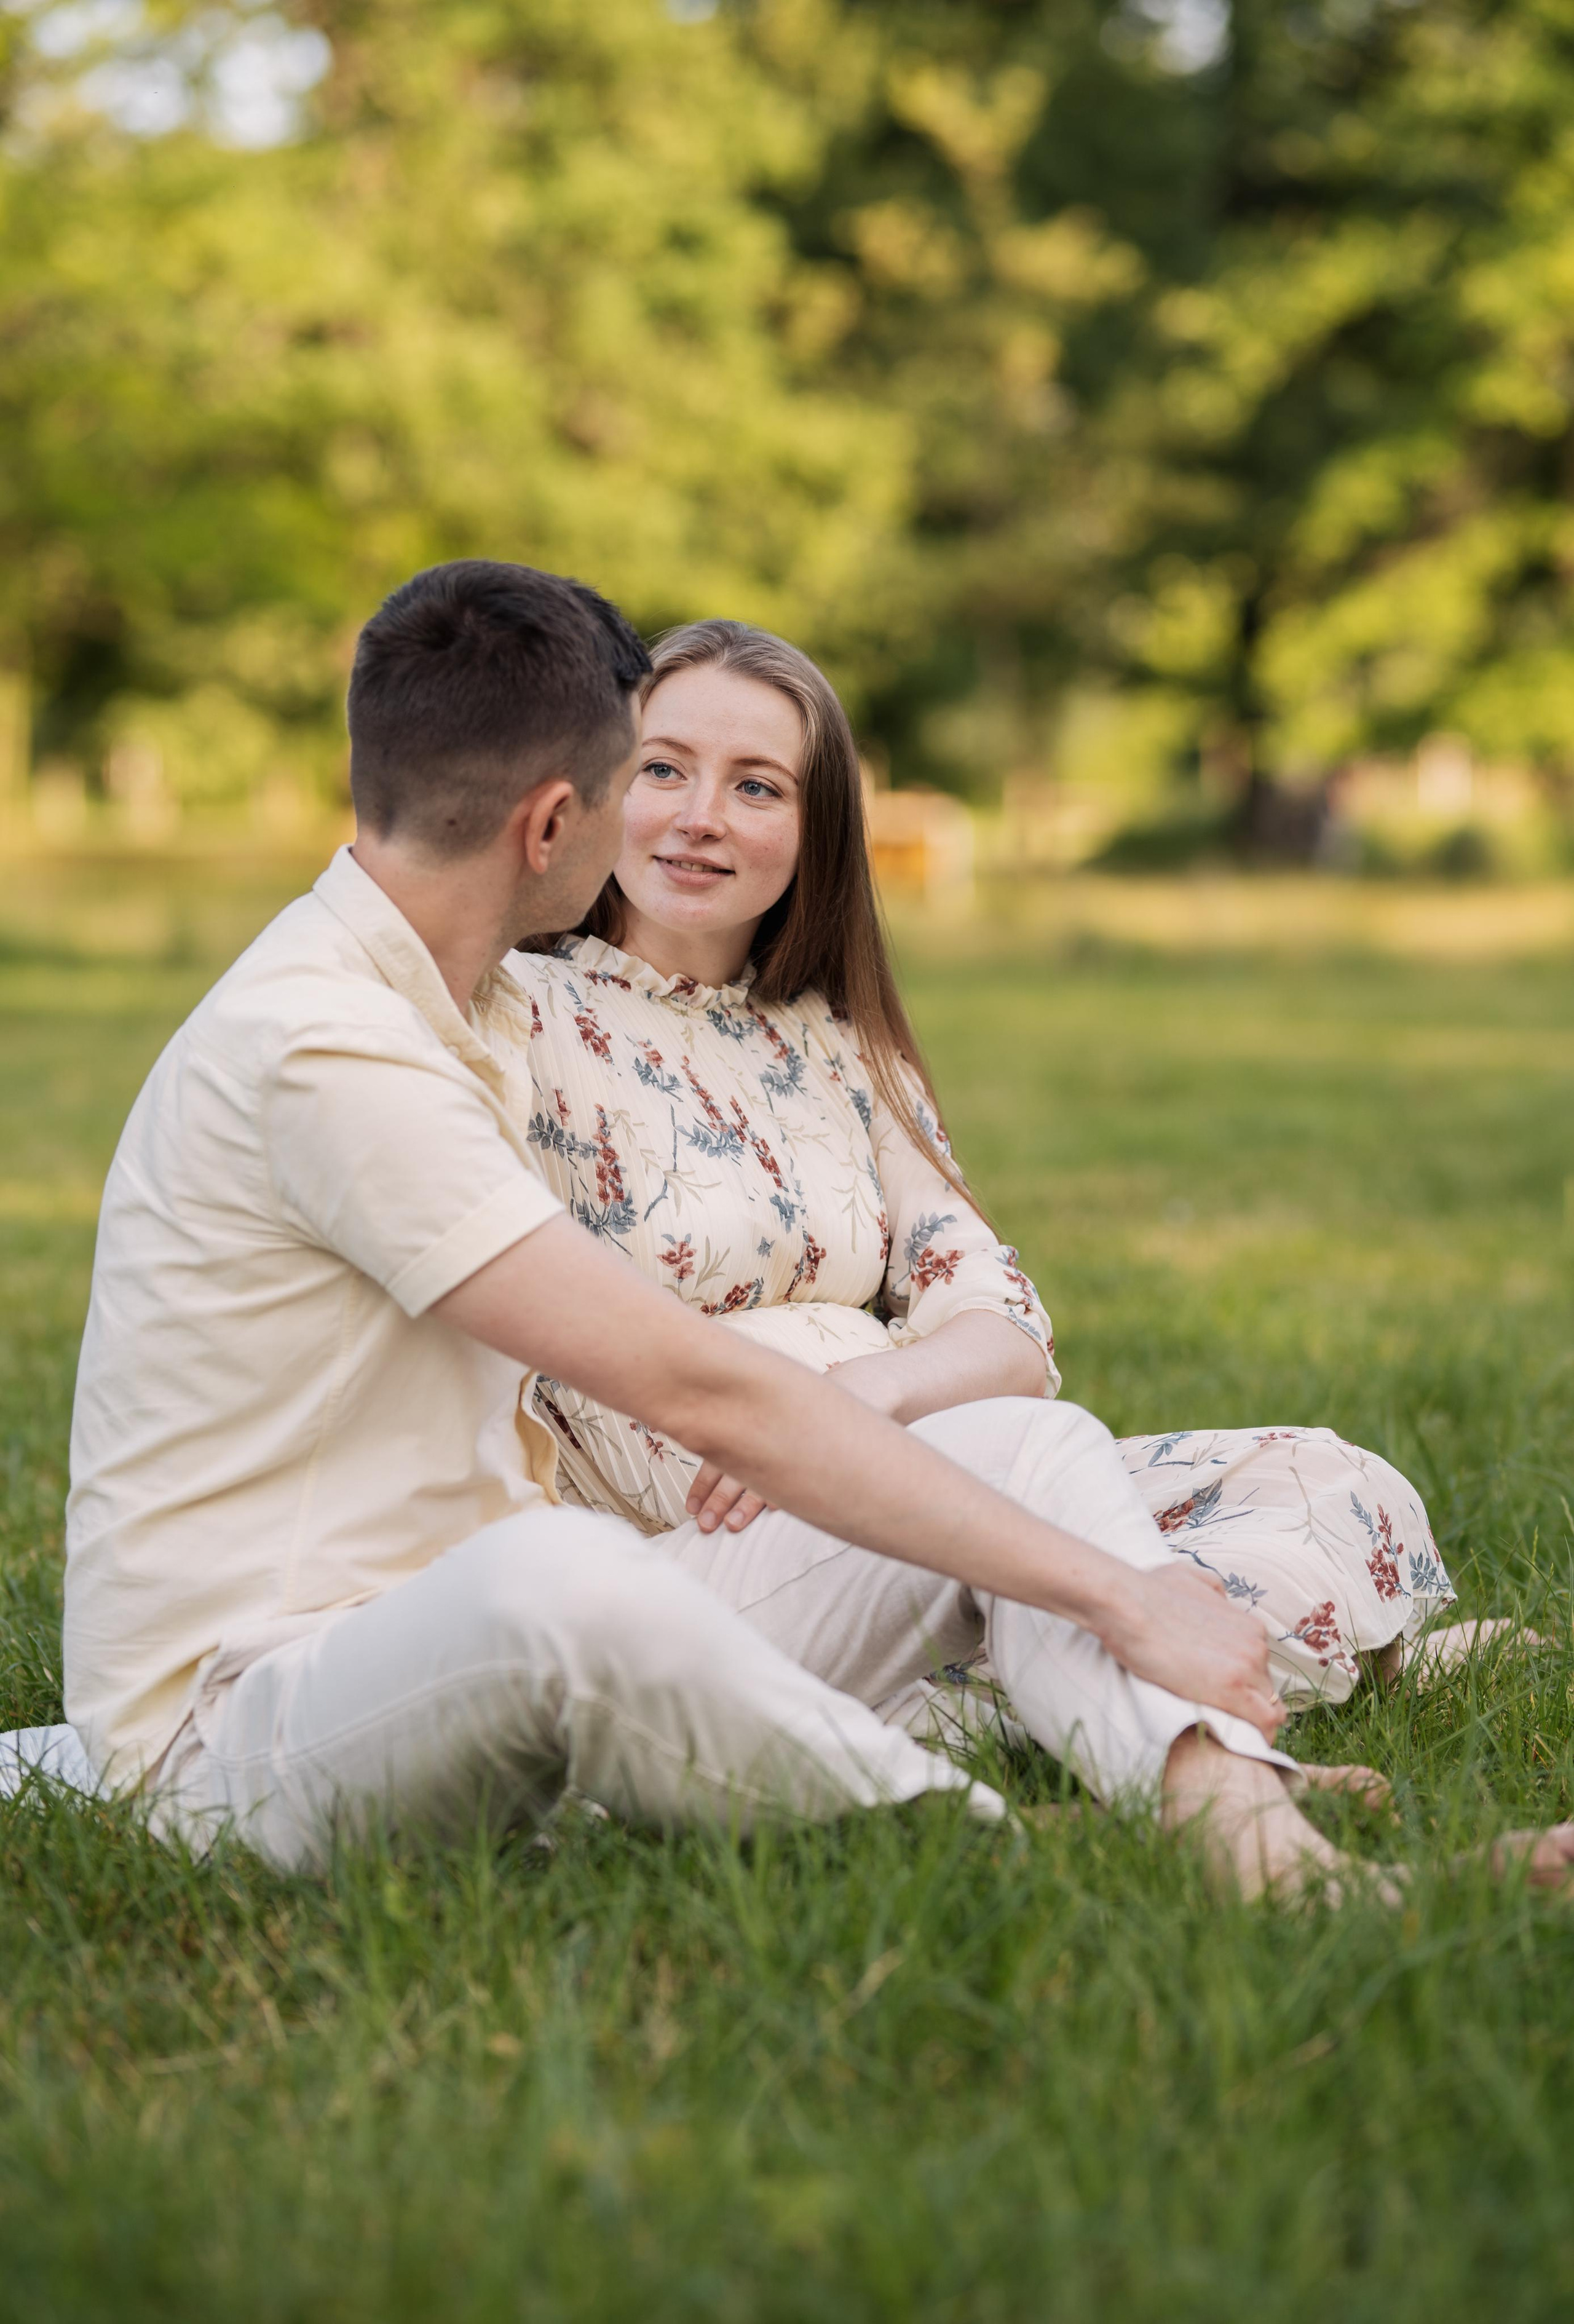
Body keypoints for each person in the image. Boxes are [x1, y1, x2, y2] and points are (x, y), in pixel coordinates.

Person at [49, 558, 1342, 1894]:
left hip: (503, 1635)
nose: (670, 823)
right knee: (554, 1579)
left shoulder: (471, 1004)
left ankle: (1244, 1835)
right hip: (252, 1717)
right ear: (554, 825)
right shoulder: (325, 1048)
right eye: (642, 779)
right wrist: (1120, 1592)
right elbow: (694, 1388)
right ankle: (978, 1843)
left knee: (1028, 1447)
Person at [501, 618, 1540, 1825]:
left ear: (815, 827)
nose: (699, 818)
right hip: (719, 1542)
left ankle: (1007, 1714)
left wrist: (871, 1395)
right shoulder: (514, 1017)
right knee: (1060, 1542)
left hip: (932, 1473)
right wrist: (797, 1428)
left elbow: (1005, 1331)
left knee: (1334, 1484)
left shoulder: (839, 1046)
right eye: (664, 769)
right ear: (602, 786)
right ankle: (1259, 1701)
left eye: (757, 786)